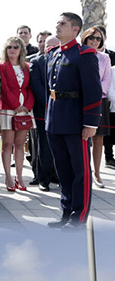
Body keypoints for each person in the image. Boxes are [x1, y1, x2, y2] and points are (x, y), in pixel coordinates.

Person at [45, 11, 102, 227]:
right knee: (63, 170)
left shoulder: (84, 54)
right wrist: (47, 118)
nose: (57, 26)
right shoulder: (53, 54)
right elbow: (49, 90)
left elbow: (93, 91)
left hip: (75, 121)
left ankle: (79, 217)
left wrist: (90, 124)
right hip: (55, 120)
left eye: (63, 24)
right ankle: (66, 212)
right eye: (57, 23)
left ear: (75, 29)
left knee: (80, 171)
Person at [0, 37, 35, 191]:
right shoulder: (1, 66)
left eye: (15, 47)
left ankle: (19, 177)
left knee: (20, 144)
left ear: (21, 50)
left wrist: (27, 105)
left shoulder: (27, 67)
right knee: (7, 144)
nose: (12, 50)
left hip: (25, 110)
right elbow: (4, 88)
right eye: (9, 47)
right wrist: (15, 105)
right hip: (8, 108)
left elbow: (30, 88)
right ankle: (8, 176)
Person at [80, 25, 112, 188]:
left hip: (98, 101)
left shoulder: (104, 58)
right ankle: (83, 171)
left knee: (98, 138)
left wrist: (97, 94)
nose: (94, 41)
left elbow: (106, 79)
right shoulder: (78, 54)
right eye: (91, 37)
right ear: (85, 37)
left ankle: (97, 174)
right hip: (79, 100)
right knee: (81, 138)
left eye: (98, 38)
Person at [29, 34, 59, 191]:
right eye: (47, 45)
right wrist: (49, 103)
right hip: (44, 110)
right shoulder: (36, 62)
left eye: (54, 46)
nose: (49, 48)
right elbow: (37, 86)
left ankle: (59, 176)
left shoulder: (65, 61)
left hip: (63, 111)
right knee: (44, 146)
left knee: (61, 146)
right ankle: (43, 178)